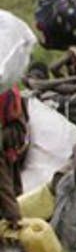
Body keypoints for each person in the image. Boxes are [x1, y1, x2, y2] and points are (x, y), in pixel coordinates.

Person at [0, 87, 28, 228]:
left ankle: (14, 220)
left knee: (7, 187)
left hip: (7, 145)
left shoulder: (8, 93)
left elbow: (19, 128)